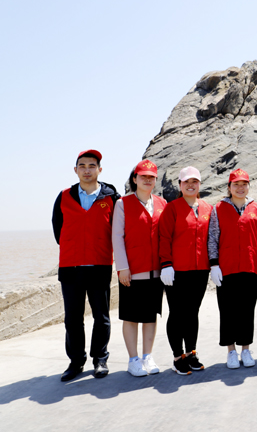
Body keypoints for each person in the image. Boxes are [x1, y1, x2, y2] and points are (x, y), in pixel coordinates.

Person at [52, 149, 120, 381]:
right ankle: (76, 362)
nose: (87, 170)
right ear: (75, 170)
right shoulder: (64, 196)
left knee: (101, 316)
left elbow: (118, 230)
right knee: (73, 319)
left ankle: (100, 359)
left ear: (100, 169)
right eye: (82, 165)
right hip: (70, 266)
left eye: (92, 165)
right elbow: (58, 229)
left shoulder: (111, 198)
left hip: (100, 265)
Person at [112, 160, 167, 376]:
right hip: (132, 272)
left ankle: (147, 356)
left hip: (156, 271)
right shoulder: (122, 204)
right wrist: (122, 267)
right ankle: (133, 360)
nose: (147, 180)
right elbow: (117, 237)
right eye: (143, 176)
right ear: (134, 179)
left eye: (151, 177)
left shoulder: (162, 203)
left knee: (150, 316)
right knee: (131, 317)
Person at [208, 169, 257, 369]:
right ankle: (231, 351)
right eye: (236, 184)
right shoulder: (218, 208)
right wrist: (214, 264)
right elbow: (213, 237)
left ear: (248, 186)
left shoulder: (256, 208)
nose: (240, 188)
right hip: (226, 268)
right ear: (229, 187)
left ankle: (246, 349)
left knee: (247, 311)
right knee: (227, 311)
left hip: (250, 267)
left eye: (244, 184)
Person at [158, 166, 212, 375]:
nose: (191, 185)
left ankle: (191, 353)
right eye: (186, 182)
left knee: (192, 313)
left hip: (200, 270)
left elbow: (211, 239)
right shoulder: (172, 208)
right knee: (177, 313)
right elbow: (164, 237)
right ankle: (177, 356)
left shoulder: (207, 208)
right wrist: (166, 264)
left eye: (194, 181)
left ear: (199, 184)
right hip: (177, 271)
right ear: (180, 185)